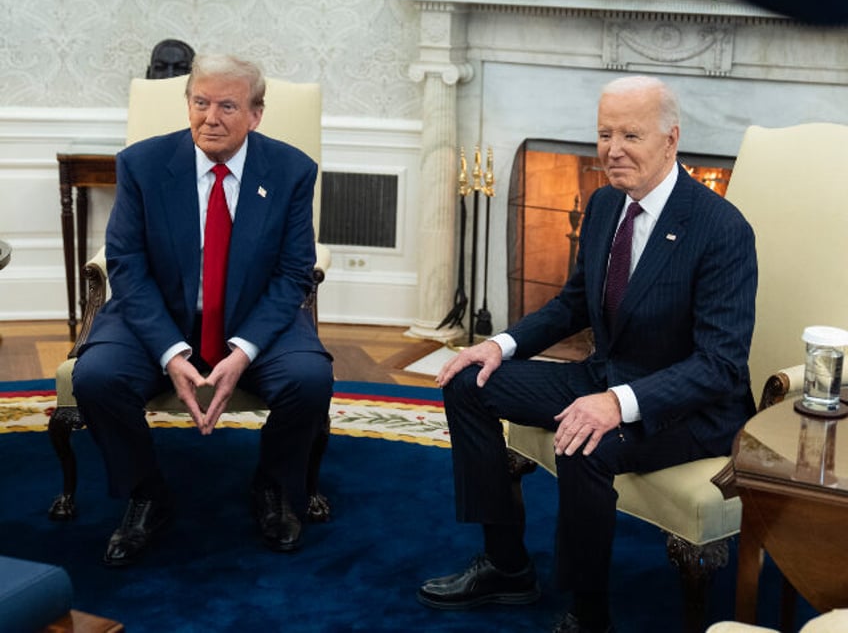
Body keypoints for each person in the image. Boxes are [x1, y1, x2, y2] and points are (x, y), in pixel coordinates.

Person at [417, 75, 757, 633]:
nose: (612, 149)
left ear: (671, 140)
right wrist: (497, 346)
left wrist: (617, 405)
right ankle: (507, 566)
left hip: (689, 408)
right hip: (604, 375)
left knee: (586, 442)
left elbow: (719, 366)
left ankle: (589, 612)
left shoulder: (721, 230)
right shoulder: (604, 205)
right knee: (466, 383)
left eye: (631, 135)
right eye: (604, 134)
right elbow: (573, 304)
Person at [72, 54, 333, 567]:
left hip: (256, 316)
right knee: (96, 377)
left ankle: (274, 488)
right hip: (158, 313)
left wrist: (243, 350)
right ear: (187, 104)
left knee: (309, 378)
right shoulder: (142, 164)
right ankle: (146, 494)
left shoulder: (291, 170)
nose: (210, 117)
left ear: (256, 114)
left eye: (228, 106)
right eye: (200, 102)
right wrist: (170, 352)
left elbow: (293, 273)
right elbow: (126, 263)